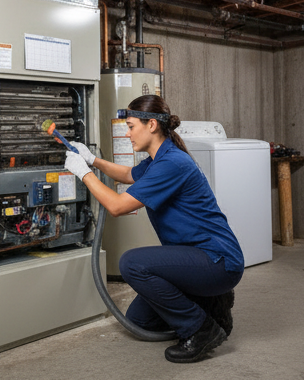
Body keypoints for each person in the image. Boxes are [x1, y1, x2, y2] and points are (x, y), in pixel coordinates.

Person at [64, 95, 244, 362]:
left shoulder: (172, 163)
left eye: (131, 126)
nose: (127, 134)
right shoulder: (160, 159)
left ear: (151, 125)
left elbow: (116, 206)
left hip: (218, 260)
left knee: (133, 264)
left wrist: (84, 174)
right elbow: (128, 175)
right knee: (141, 320)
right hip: (196, 256)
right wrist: (92, 160)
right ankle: (210, 304)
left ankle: (201, 329)